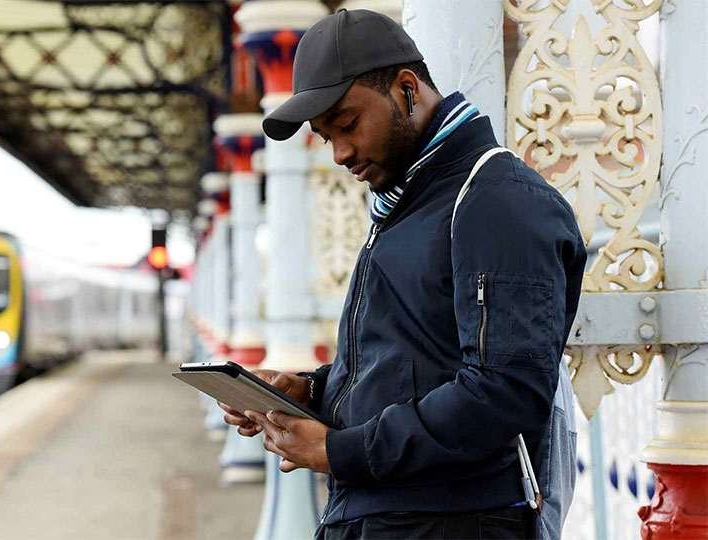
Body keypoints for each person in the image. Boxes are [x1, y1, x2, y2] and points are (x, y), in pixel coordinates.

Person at [219, 8, 587, 540]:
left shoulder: (497, 201)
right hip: (391, 517)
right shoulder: (407, 204)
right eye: (326, 137)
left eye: (347, 124)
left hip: (451, 523)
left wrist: (338, 449)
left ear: (407, 90)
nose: (342, 152)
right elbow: (413, 363)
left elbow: (505, 392)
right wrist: (310, 391)